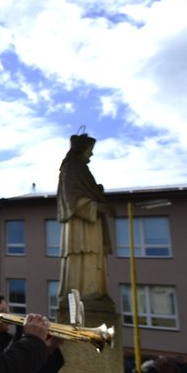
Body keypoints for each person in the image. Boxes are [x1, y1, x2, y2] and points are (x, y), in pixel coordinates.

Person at [56, 132, 115, 311]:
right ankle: (84, 293)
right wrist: (96, 206)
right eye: (90, 150)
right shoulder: (71, 168)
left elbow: (84, 191)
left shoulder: (81, 168)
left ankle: (93, 292)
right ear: (81, 149)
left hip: (90, 224)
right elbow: (71, 197)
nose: (91, 154)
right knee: (83, 255)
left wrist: (96, 192)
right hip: (80, 225)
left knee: (93, 255)